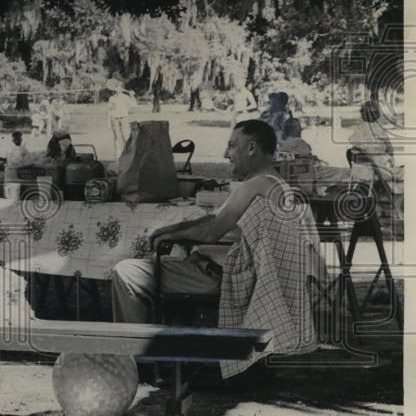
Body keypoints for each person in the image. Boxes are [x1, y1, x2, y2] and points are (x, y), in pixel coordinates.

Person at [110, 119, 323, 377]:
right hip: (237, 274)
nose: (226, 154)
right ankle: (158, 352)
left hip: (220, 277)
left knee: (126, 271)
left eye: (232, 146)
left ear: (252, 148)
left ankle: (135, 361)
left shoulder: (254, 185)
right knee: (159, 258)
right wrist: (168, 231)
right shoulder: (274, 183)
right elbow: (215, 220)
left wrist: (166, 237)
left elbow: (211, 232)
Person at [106, 79, 138, 159]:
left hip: (124, 119)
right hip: (115, 120)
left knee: (126, 137)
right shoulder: (112, 98)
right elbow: (110, 111)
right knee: (117, 138)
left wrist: (132, 96)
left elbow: (134, 106)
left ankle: (128, 155)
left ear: (122, 89)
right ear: (115, 89)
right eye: (117, 87)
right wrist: (109, 122)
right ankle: (118, 156)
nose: (118, 89)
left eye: (120, 87)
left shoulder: (126, 97)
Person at [1, 130, 30, 201]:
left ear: (21, 140)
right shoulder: (10, 149)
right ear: (13, 140)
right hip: (11, 173)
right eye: (15, 140)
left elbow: (29, 161)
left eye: (19, 139)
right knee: (9, 191)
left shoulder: (24, 149)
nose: (17, 141)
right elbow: (8, 160)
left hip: (17, 173)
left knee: (14, 192)